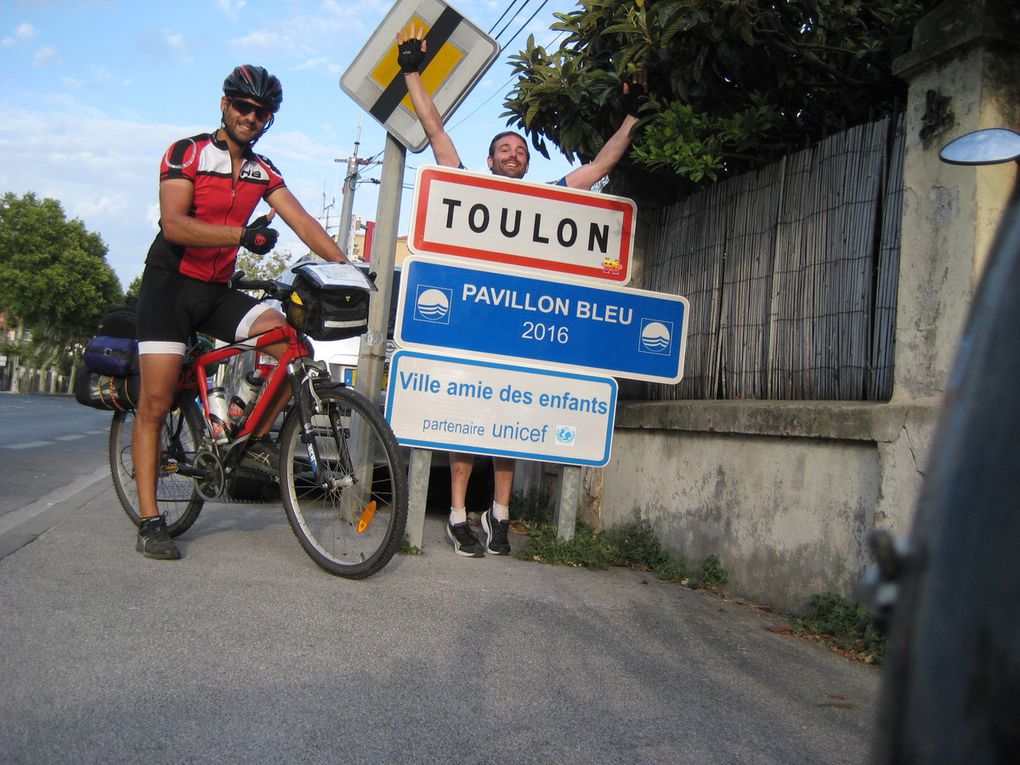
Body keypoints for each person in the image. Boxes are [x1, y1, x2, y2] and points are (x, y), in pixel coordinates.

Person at [396, 24, 648, 558]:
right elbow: (435, 127)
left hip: (519, 326)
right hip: (469, 323)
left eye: (518, 149)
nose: (512, 154)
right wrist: (413, 72)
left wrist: (633, 115)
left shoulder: (550, 200)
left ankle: (501, 516)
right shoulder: (467, 188)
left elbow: (601, 166)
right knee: (466, 425)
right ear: (489, 162)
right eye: (502, 149)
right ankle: (459, 516)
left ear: (526, 162)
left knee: (509, 427)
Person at [133, 65, 349, 560]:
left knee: (291, 342)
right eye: (244, 107)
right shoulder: (186, 153)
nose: (251, 117)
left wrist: (348, 266)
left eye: (262, 112)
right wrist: (241, 236)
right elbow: (175, 225)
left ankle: (249, 439)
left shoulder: (263, 170)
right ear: (225, 104)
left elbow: (302, 220)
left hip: (214, 290)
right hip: (169, 287)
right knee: (158, 400)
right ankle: (149, 520)